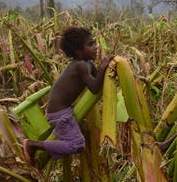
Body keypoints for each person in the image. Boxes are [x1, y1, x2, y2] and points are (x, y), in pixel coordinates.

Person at [22, 26, 113, 163]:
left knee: (74, 141)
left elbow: (99, 78)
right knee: (77, 145)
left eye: (94, 43)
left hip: (63, 110)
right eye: (90, 44)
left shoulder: (88, 63)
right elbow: (94, 87)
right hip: (59, 113)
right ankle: (32, 145)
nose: (95, 47)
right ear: (78, 50)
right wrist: (103, 65)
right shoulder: (80, 65)